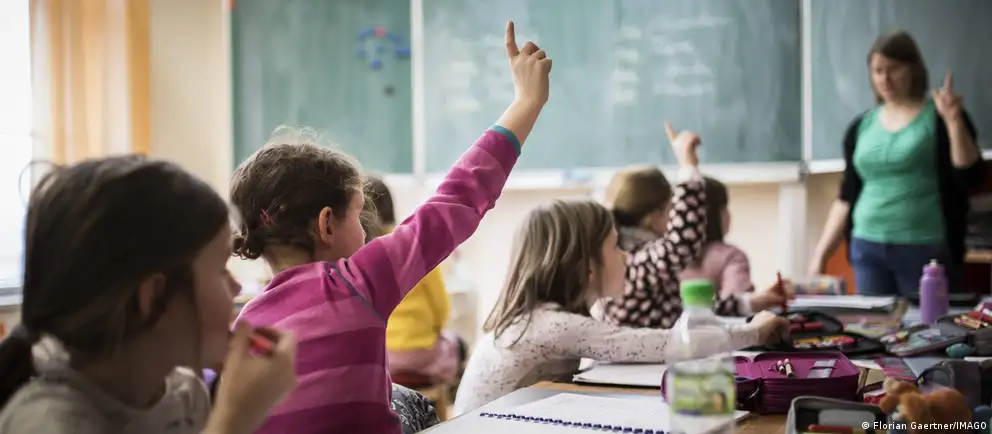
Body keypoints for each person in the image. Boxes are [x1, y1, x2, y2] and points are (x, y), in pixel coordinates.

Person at [227, 21, 551, 433]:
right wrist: (526, 102)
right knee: (410, 402)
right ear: (327, 225)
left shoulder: (245, 325)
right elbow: (459, 197)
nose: (366, 234)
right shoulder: (356, 281)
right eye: (359, 216)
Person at [0, 156, 297, 434]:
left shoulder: (186, 398)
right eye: (221, 270)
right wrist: (233, 419)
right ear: (154, 296)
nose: (237, 288)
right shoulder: (47, 422)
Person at [453, 199, 789, 414]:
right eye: (615, 247)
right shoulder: (551, 325)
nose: (626, 257)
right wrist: (755, 331)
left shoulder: (538, 319)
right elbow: (670, 344)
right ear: (585, 265)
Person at [808, 31, 985, 297]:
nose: (885, 79)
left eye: (893, 69)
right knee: (875, 321)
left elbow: (969, 174)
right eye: (878, 71)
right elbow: (847, 195)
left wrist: (953, 121)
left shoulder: (939, 117)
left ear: (913, 69)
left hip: (925, 248)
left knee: (929, 322)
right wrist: (820, 254)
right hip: (867, 246)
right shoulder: (862, 126)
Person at [601, 123, 789, 329]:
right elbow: (682, 244)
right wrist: (688, 165)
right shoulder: (632, 262)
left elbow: (681, 309)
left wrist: (749, 302)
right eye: (671, 208)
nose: (675, 215)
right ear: (653, 218)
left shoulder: (640, 260)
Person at [365, 176, 465, 388]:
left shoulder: (355, 258)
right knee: (458, 346)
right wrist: (434, 332)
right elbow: (441, 307)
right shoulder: (413, 244)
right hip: (420, 353)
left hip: (381, 358)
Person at [679, 176, 756, 298]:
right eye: (724, 207)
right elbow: (737, 298)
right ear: (714, 214)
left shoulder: (666, 257)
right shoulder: (731, 257)